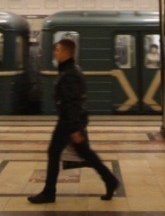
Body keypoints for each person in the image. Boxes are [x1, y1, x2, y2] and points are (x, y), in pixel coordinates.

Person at [28, 38, 119, 204]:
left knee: (54, 152)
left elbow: (73, 102)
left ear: (66, 52)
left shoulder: (70, 73)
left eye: (57, 49)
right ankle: (110, 180)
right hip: (71, 121)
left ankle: (49, 193)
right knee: (85, 154)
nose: (55, 52)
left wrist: (75, 128)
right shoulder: (68, 70)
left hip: (68, 122)